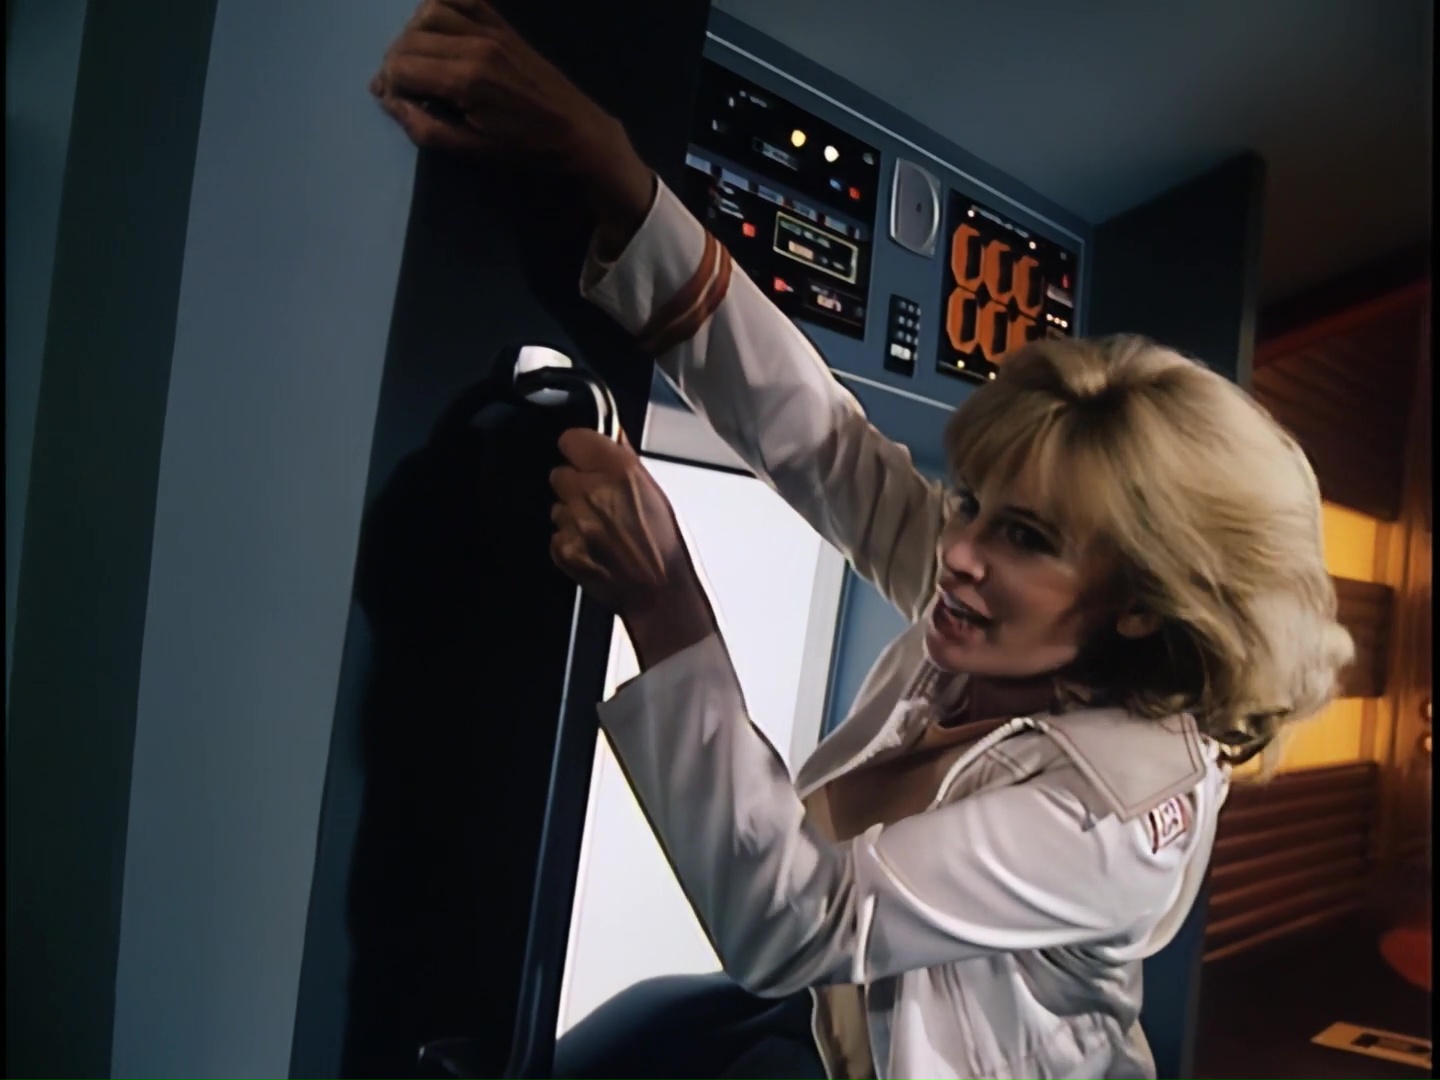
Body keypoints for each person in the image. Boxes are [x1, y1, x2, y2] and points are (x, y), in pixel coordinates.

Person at [371, 4, 1355, 1078]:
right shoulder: (1019, 609)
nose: (960, 553)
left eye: (1026, 536)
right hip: (841, 1003)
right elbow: (829, 448)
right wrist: (611, 171)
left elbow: (798, 923)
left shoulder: (1115, 817)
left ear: (1139, 606)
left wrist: (663, 601)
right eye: (971, 503)